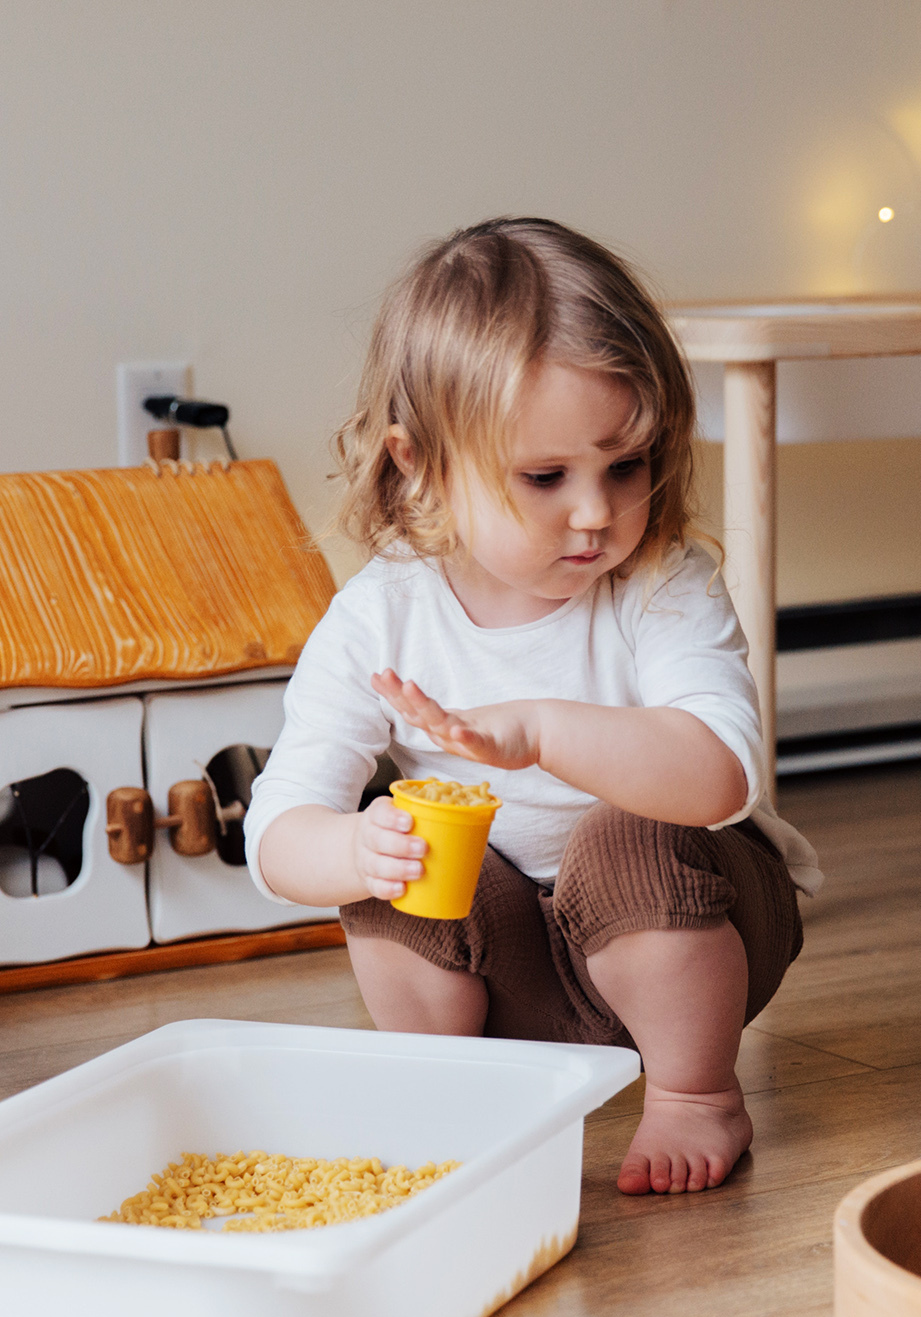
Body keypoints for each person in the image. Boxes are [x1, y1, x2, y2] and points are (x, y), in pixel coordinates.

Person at [243, 217, 820, 1195]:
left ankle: (693, 1095)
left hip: (689, 936)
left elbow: (720, 775)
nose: (595, 511)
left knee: (623, 835)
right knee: (403, 858)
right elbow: (275, 828)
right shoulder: (381, 613)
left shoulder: (661, 586)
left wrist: (542, 729)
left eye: (625, 464)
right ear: (421, 462)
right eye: (547, 477)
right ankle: (456, 1090)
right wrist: (353, 849)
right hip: (509, 971)